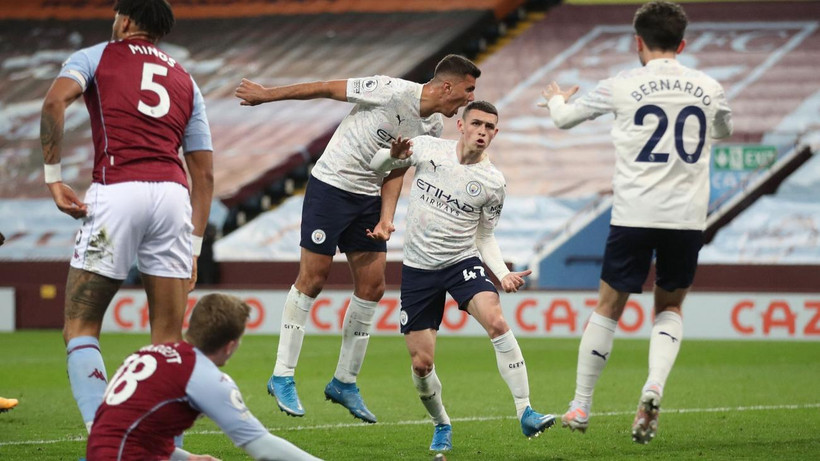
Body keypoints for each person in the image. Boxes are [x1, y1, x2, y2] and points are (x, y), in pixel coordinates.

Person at [234, 55, 481, 423]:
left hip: (368, 199)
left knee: (373, 286)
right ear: (448, 86)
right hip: (331, 187)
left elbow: (397, 170)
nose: (468, 98)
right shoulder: (389, 90)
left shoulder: (431, 127)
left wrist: (385, 218)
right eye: (468, 89)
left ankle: (344, 382)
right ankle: (282, 374)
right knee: (313, 279)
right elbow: (325, 88)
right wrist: (266, 95)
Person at [539, 0, 733, 444]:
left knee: (608, 305)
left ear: (638, 43)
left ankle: (581, 404)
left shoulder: (621, 85)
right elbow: (721, 130)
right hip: (685, 217)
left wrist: (554, 100)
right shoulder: (709, 86)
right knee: (669, 307)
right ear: (682, 44)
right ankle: (653, 387)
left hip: (634, 213)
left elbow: (566, 120)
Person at [40, 0, 214, 433]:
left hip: (117, 190)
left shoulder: (94, 56)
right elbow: (205, 174)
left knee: (80, 326)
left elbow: (54, 102)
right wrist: (193, 247)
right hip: (173, 198)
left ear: (128, 20)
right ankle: (155, 442)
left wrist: (53, 177)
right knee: (168, 341)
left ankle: (104, 434)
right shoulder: (186, 79)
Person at [369, 101, 556, 451]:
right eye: (477, 124)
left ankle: (525, 411)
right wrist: (390, 156)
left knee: (497, 322)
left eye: (489, 127)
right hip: (418, 269)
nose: (482, 132)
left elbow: (484, 235)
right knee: (422, 364)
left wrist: (501, 274)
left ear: (495, 134)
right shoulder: (427, 148)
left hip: (461, 262)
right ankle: (442, 423)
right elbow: (376, 165)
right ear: (461, 125)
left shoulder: (493, 182)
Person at [86, 293, 322, 461]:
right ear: (230, 346)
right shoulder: (204, 375)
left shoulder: (146, 353)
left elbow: (124, 431)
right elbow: (263, 448)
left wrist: (186, 458)